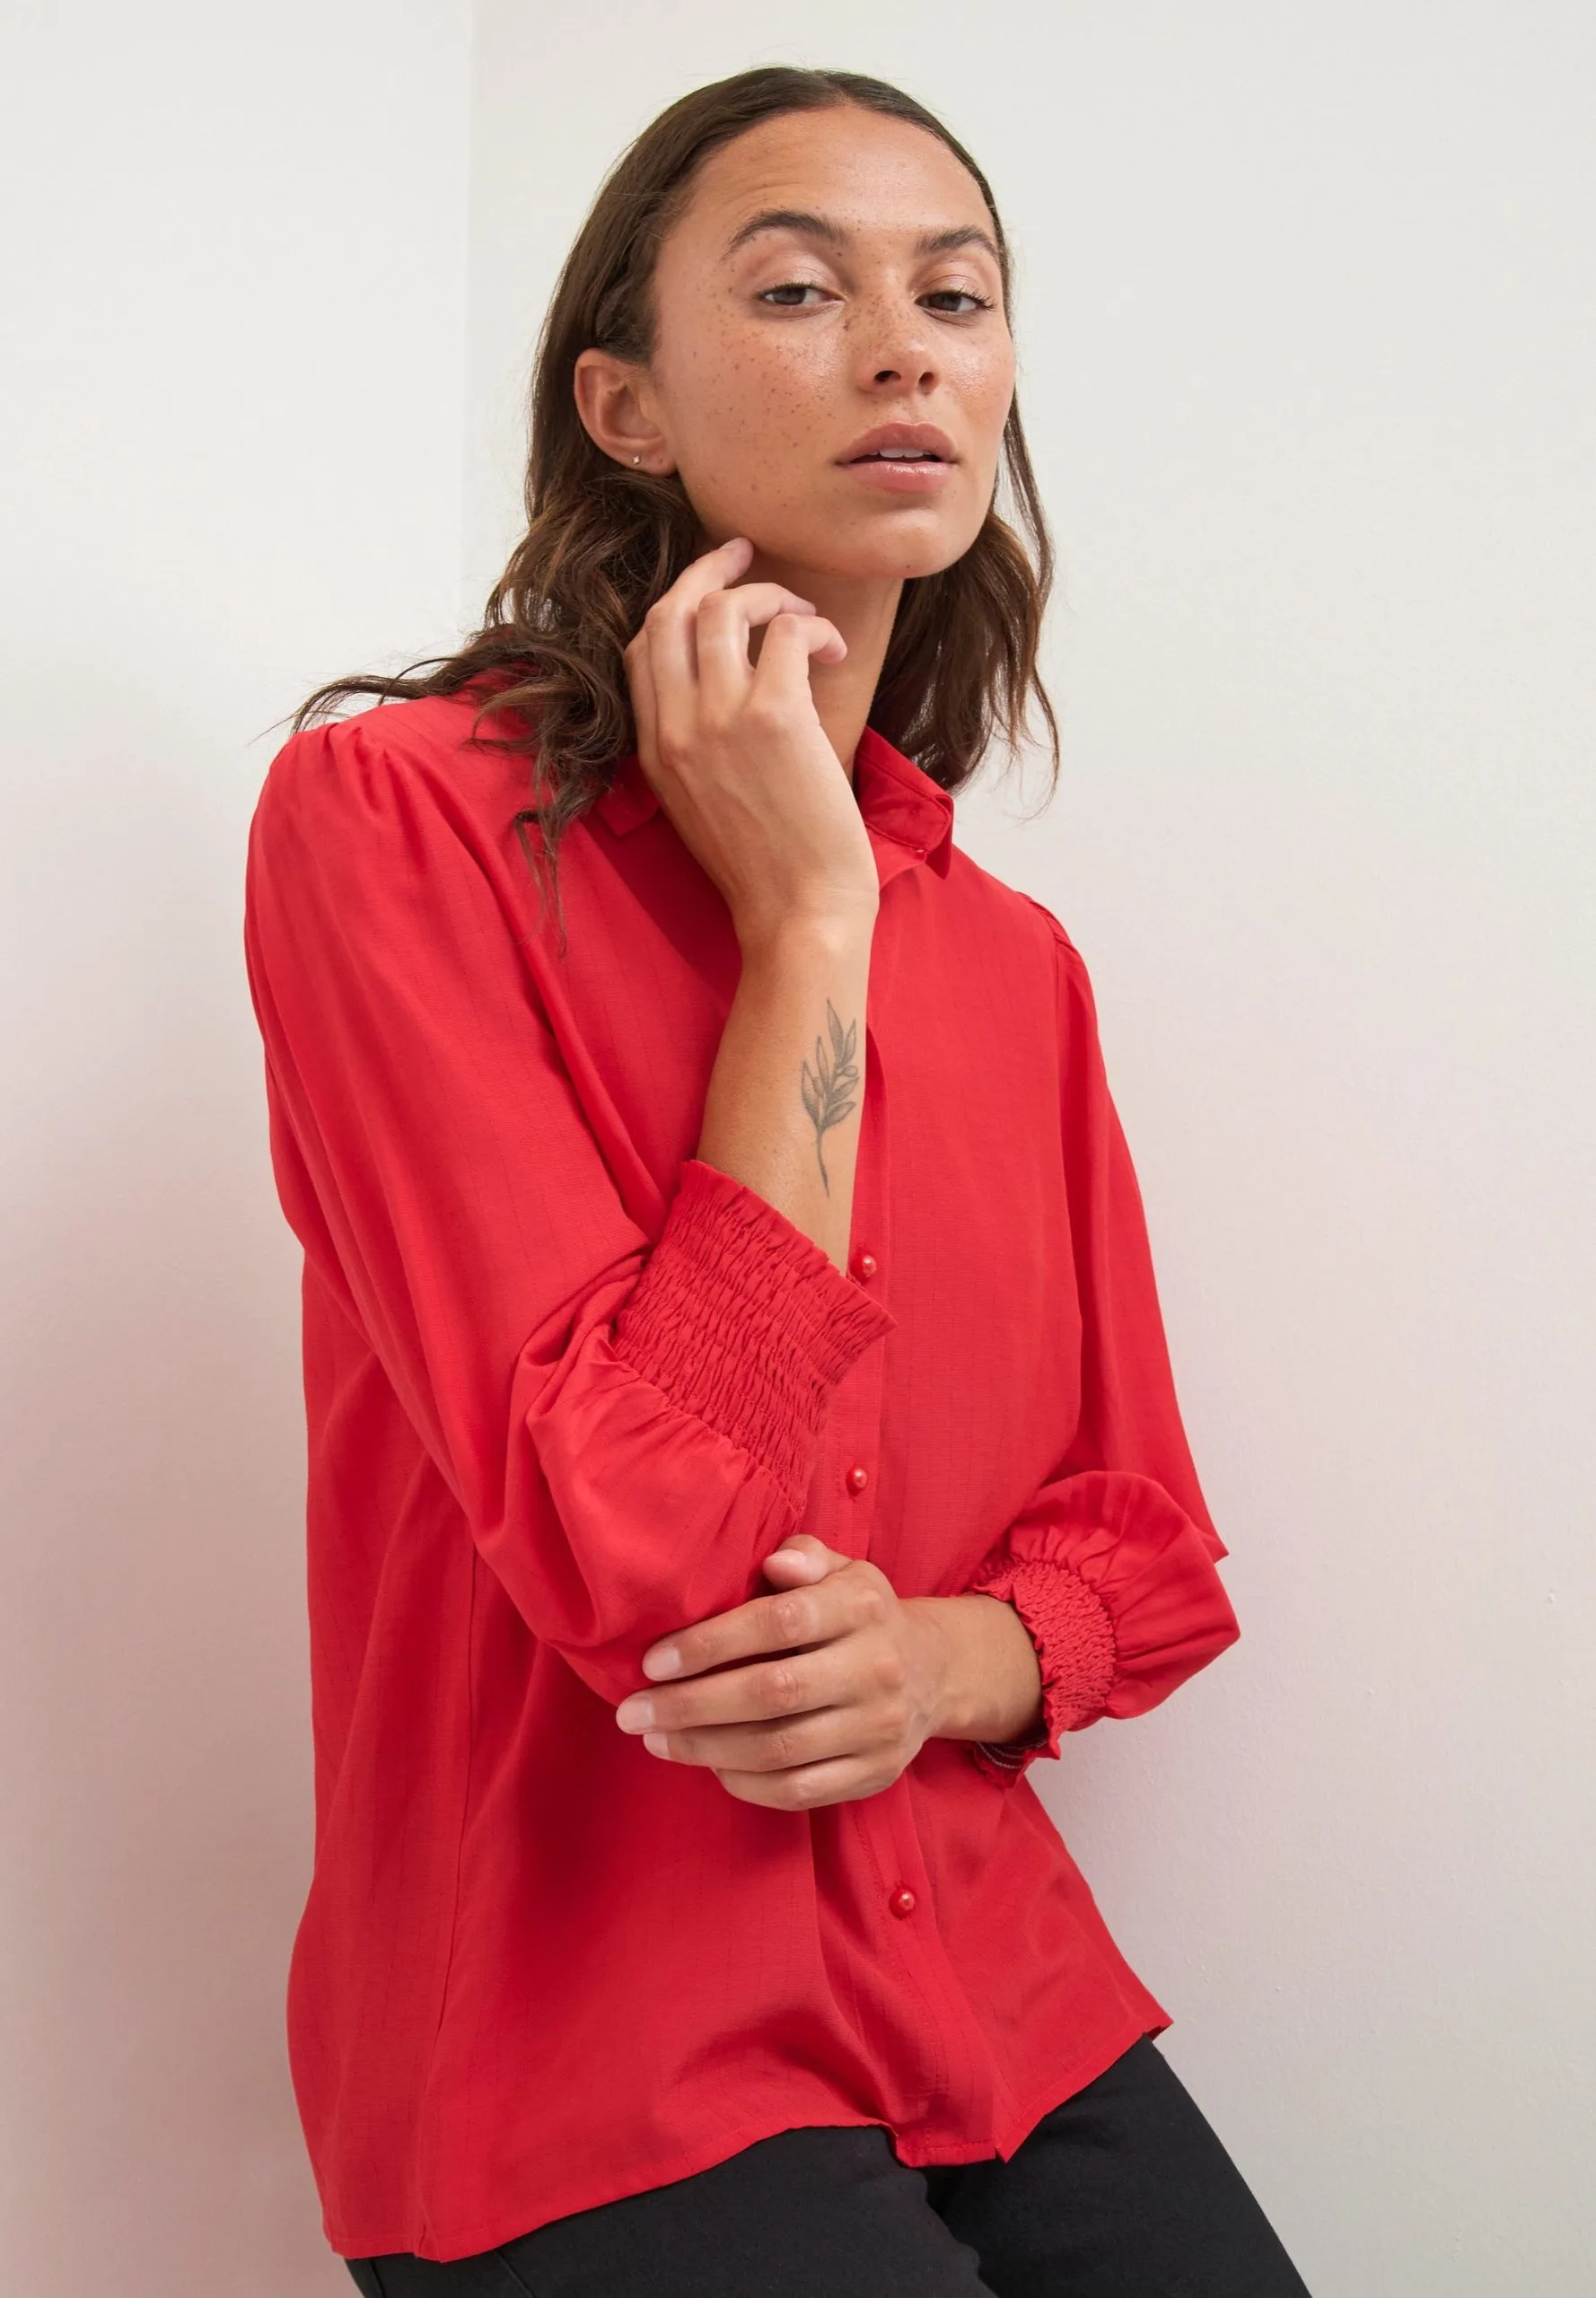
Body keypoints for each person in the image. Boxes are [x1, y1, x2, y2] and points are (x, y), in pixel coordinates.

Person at [243, 62, 1312, 2298]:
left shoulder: (1015, 967)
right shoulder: (394, 827)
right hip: (582, 2052)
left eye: (957, 295)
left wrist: (948, 1655)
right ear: (622, 405)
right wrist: (807, 920)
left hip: (1000, 1990)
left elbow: (1142, 1546)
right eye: (803, 289)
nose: (904, 347)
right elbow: (638, 1551)